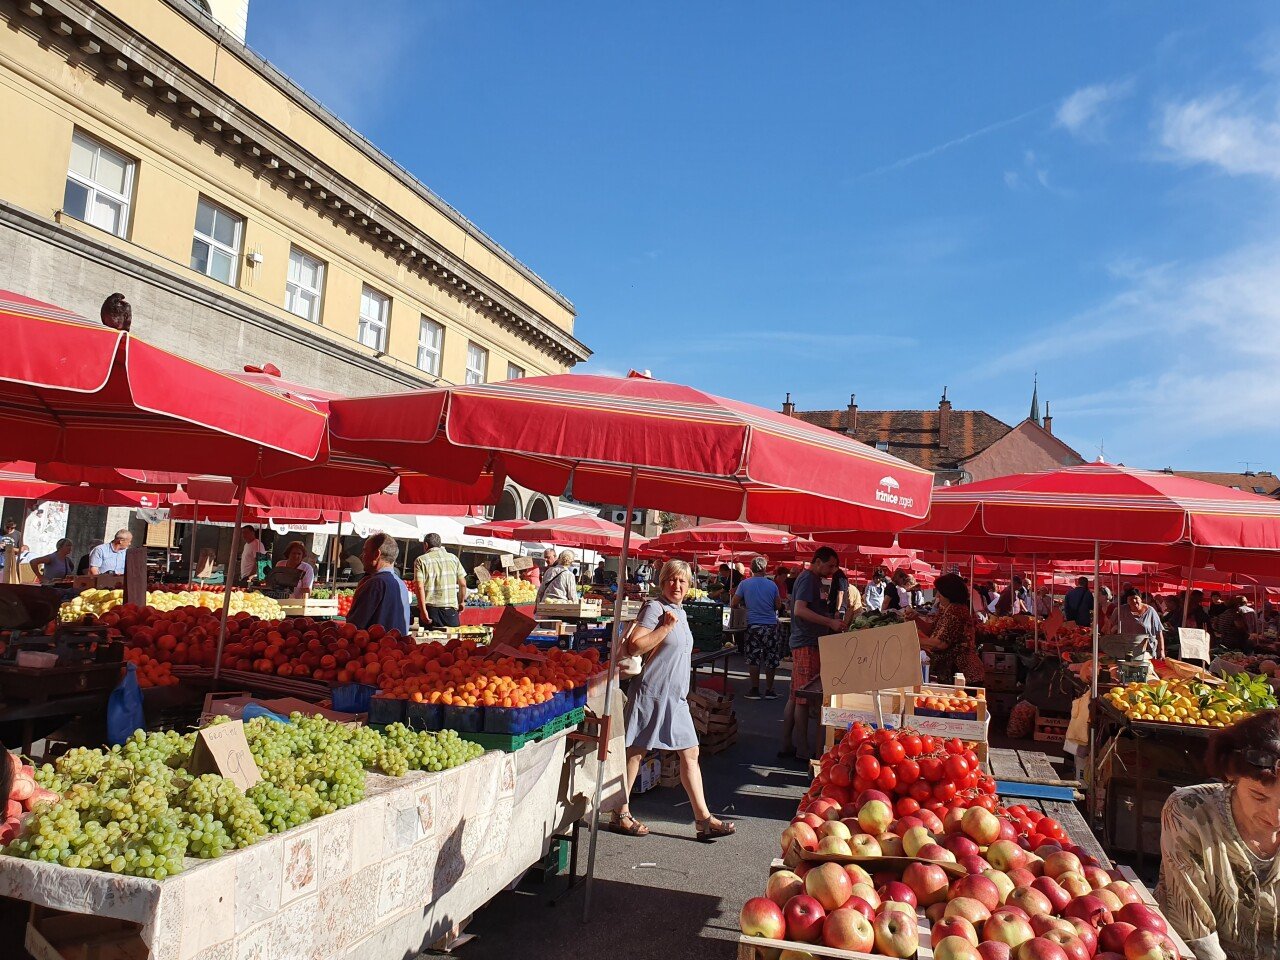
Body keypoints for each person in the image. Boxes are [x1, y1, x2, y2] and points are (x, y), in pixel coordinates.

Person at [611, 559, 735, 840]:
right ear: (662, 581)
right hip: (651, 693)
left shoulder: (680, 611)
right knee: (636, 753)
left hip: (675, 699)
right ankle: (620, 813)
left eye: (682, 581)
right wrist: (664, 629)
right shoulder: (656, 608)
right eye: (671, 580)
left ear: (689, 585)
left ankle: (703, 819)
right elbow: (634, 645)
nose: (676, 585)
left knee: (691, 753)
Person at [1156, 709, 1280, 960]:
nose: (1276, 816)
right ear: (1231, 775)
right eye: (1259, 796)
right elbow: (1196, 934)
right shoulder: (1189, 813)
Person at [780, 546, 845, 762]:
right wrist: (829, 622)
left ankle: (787, 743)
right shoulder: (808, 579)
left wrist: (828, 616)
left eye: (835, 566)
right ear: (817, 561)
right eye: (830, 565)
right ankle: (803, 749)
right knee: (803, 698)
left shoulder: (814, 580)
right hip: (807, 643)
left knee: (795, 694)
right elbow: (799, 609)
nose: (833, 570)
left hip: (805, 641)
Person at [910, 573, 985, 685]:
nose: (937, 597)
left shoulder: (956, 612)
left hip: (963, 674)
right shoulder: (946, 609)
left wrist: (911, 641)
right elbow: (932, 630)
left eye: (940, 593)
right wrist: (916, 618)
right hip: (952, 672)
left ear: (949, 593)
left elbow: (940, 643)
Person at [733, 556, 783, 700]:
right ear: (765, 568)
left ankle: (754, 689)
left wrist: (744, 606)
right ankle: (769, 690)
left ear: (751, 568)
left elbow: (734, 603)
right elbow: (778, 605)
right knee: (771, 658)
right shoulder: (772, 585)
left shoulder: (744, 584)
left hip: (752, 625)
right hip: (770, 625)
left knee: (753, 658)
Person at [346, 533, 410, 635]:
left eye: (365, 551)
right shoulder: (400, 584)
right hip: (397, 647)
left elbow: (353, 626)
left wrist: (359, 591)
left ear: (376, 555)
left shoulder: (375, 583)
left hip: (376, 648)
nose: (361, 556)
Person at [413, 533, 467, 628]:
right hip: (450, 611)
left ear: (426, 545)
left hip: (431, 610)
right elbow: (463, 584)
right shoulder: (454, 558)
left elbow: (419, 587)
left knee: (430, 641)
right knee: (452, 641)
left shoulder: (421, 560)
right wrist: (461, 602)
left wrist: (423, 610)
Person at [1115, 587, 1165, 658]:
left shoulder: (1150, 611)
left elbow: (1159, 632)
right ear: (1127, 601)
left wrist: (1161, 651)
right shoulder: (1122, 610)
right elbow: (1110, 625)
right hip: (1127, 651)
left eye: (1136, 598)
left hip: (1147, 652)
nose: (1134, 601)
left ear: (1141, 599)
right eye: (1130, 599)